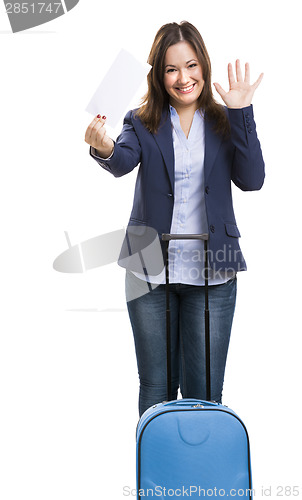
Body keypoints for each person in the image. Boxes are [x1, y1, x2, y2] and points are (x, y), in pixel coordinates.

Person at [85, 21, 265, 417]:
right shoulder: (140, 119)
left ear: (203, 65)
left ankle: (202, 478)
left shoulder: (223, 120)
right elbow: (122, 160)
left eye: (191, 65)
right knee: (156, 387)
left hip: (212, 272)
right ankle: (155, 477)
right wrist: (104, 147)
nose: (183, 78)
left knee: (205, 392)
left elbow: (252, 181)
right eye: (170, 69)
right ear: (159, 74)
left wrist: (241, 113)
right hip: (149, 270)